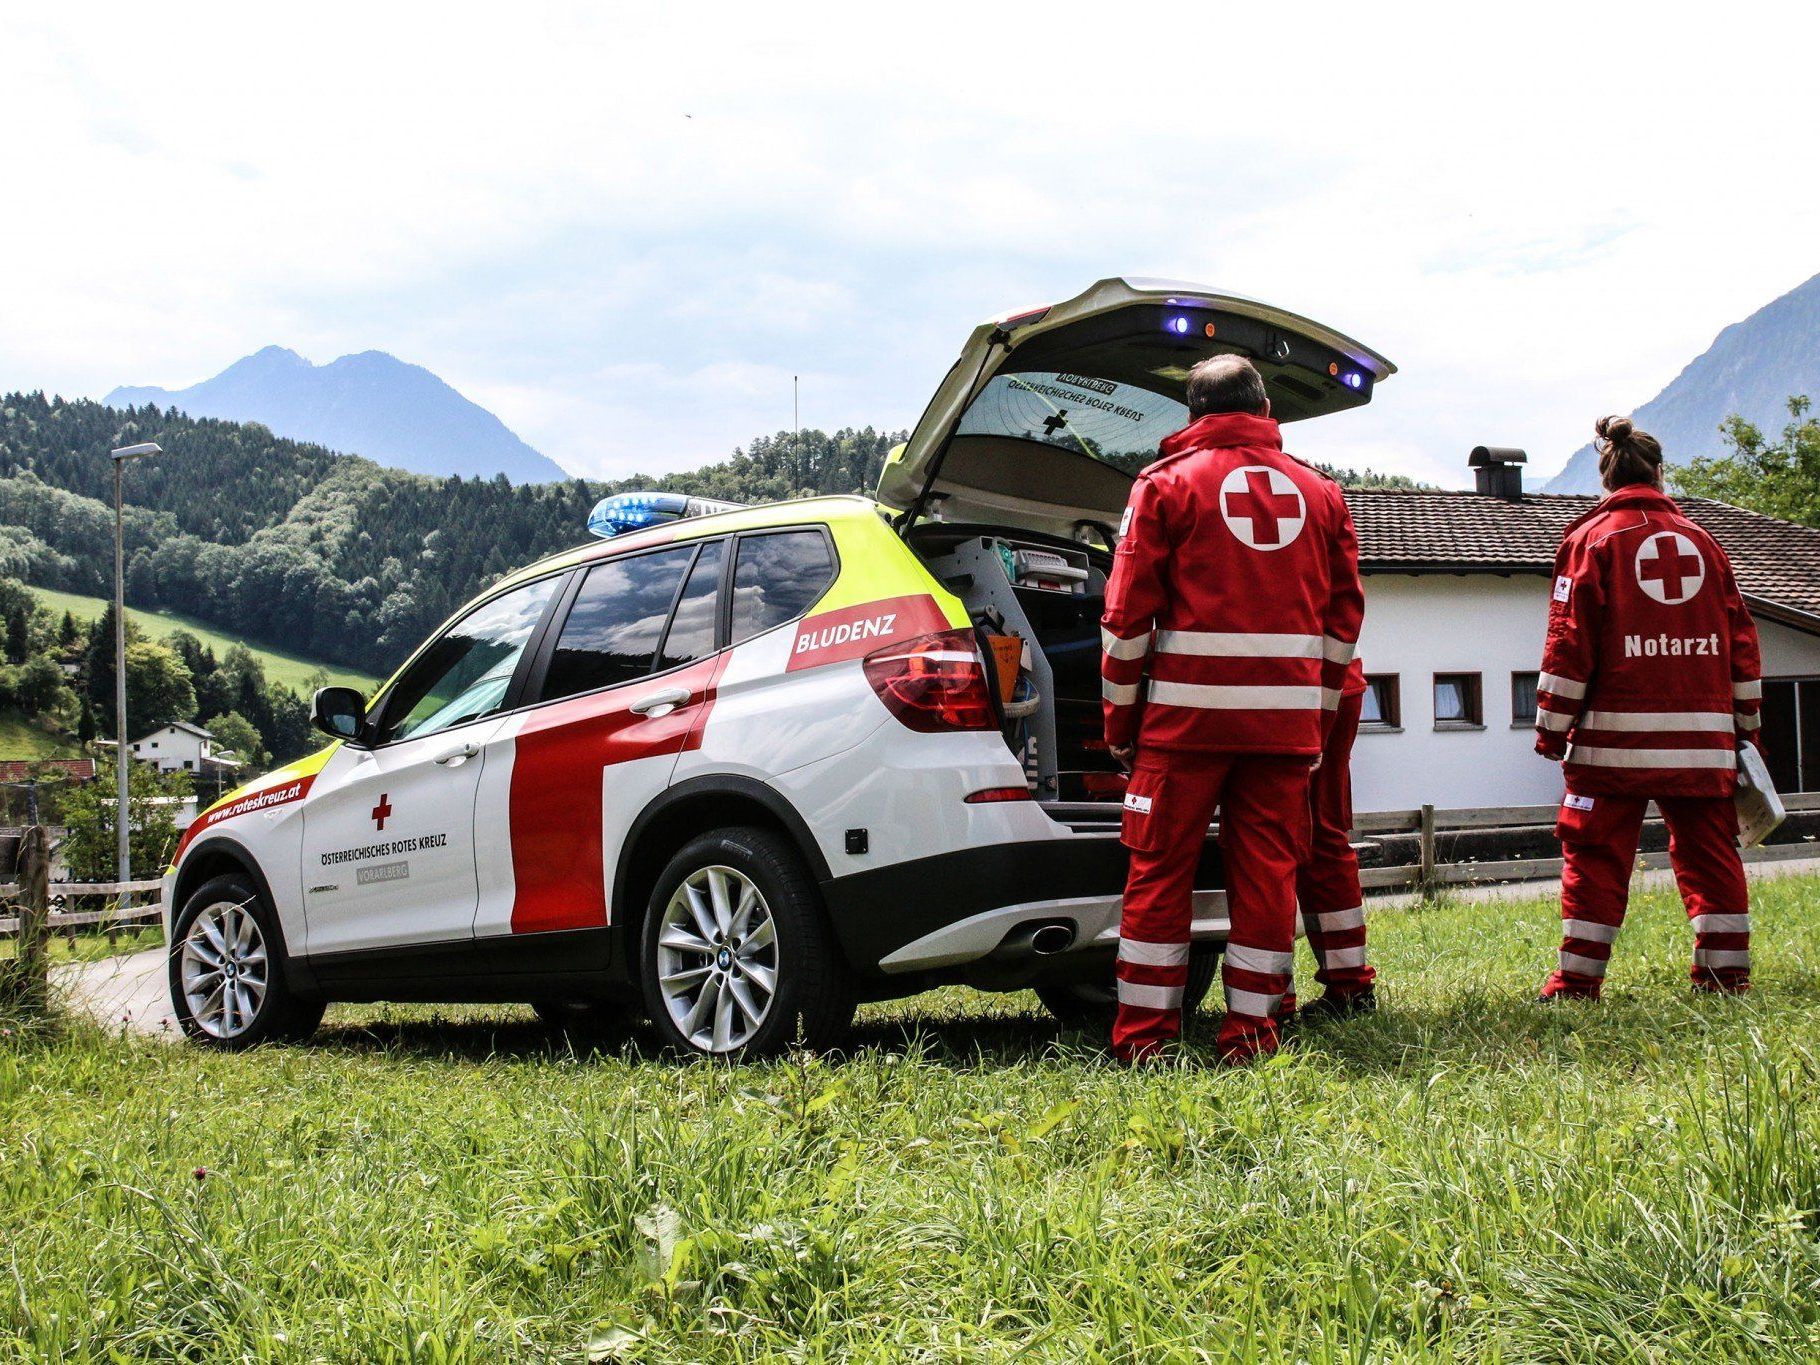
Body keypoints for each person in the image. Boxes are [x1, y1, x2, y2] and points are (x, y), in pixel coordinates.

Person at [1101, 354, 1364, 1063]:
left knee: (1158, 875)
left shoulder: (1163, 486)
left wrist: (1120, 723)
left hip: (1183, 729)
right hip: (1283, 730)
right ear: (1265, 406)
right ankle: (1251, 1036)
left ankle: (1147, 1041)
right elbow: (1344, 622)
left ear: (1193, 415)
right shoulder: (1322, 494)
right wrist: (1316, 714)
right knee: (1269, 876)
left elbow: (1126, 620)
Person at [1533, 415, 1763, 998]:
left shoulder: (1591, 541)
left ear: (1604, 476)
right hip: (1701, 748)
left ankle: (1578, 983)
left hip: (1614, 749)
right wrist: (1746, 733)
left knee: (1596, 858)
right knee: (1713, 858)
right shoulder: (1706, 544)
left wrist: (1552, 728)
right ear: (1661, 474)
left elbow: (1569, 639)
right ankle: (1725, 976)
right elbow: (1741, 645)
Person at [1281, 656, 1377, 1022]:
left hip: (1280, 686)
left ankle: (1268, 998)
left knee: (1262, 842)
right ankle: (1349, 984)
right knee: (1323, 834)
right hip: (1334, 682)